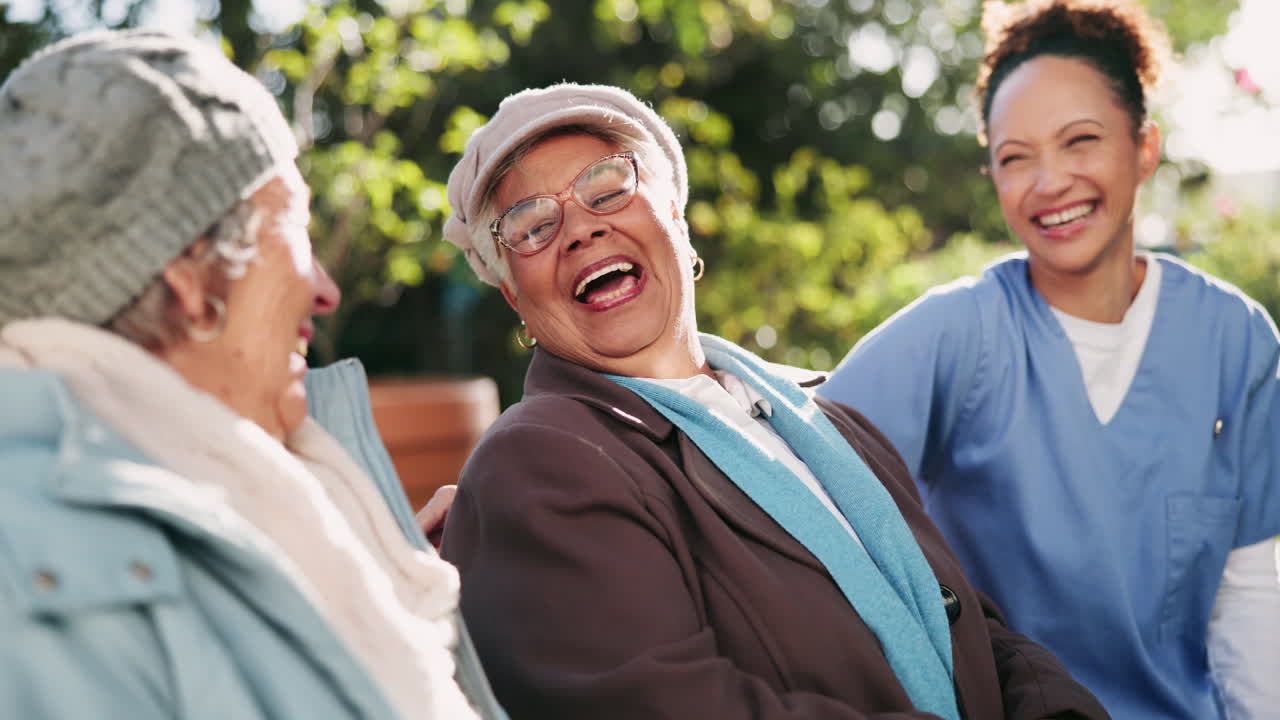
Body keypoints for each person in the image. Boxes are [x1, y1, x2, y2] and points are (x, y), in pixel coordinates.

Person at [438, 81, 1109, 720]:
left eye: (607, 187)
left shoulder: (822, 414)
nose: (580, 229)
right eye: (530, 225)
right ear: (512, 295)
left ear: (675, 212)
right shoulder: (537, 463)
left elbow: (969, 631)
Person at [0, 29, 505, 719]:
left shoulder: (263, 499)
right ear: (189, 274)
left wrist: (375, 568)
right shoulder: (46, 585)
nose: (325, 289)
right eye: (294, 226)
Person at [818, 2, 1280, 718]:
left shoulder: (1234, 339)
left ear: (1144, 146)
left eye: (1080, 141)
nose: (1049, 182)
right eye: (1015, 158)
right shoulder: (956, 336)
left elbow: (1248, 592)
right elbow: (797, 484)